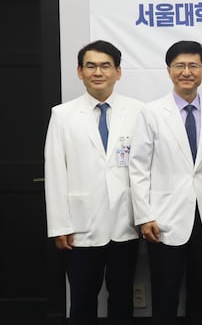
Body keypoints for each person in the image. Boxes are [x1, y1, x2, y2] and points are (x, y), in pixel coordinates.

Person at [44, 40, 143, 325]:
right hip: (80, 225)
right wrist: (59, 225)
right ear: (80, 71)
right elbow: (55, 171)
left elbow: (144, 168)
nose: (98, 72)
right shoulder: (62, 114)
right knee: (82, 299)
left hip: (125, 223)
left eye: (105, 66)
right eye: (91, 66)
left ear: (118, 72)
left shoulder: (138, 112)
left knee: (122, 298)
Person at [129, 41, 202, 325]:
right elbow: (138, 167)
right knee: (165, 293)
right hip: (164, 217)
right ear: (169, 70)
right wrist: (144, 216)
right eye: (179, 66)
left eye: (193, 66)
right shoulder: (151, 112)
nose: (187, 72)